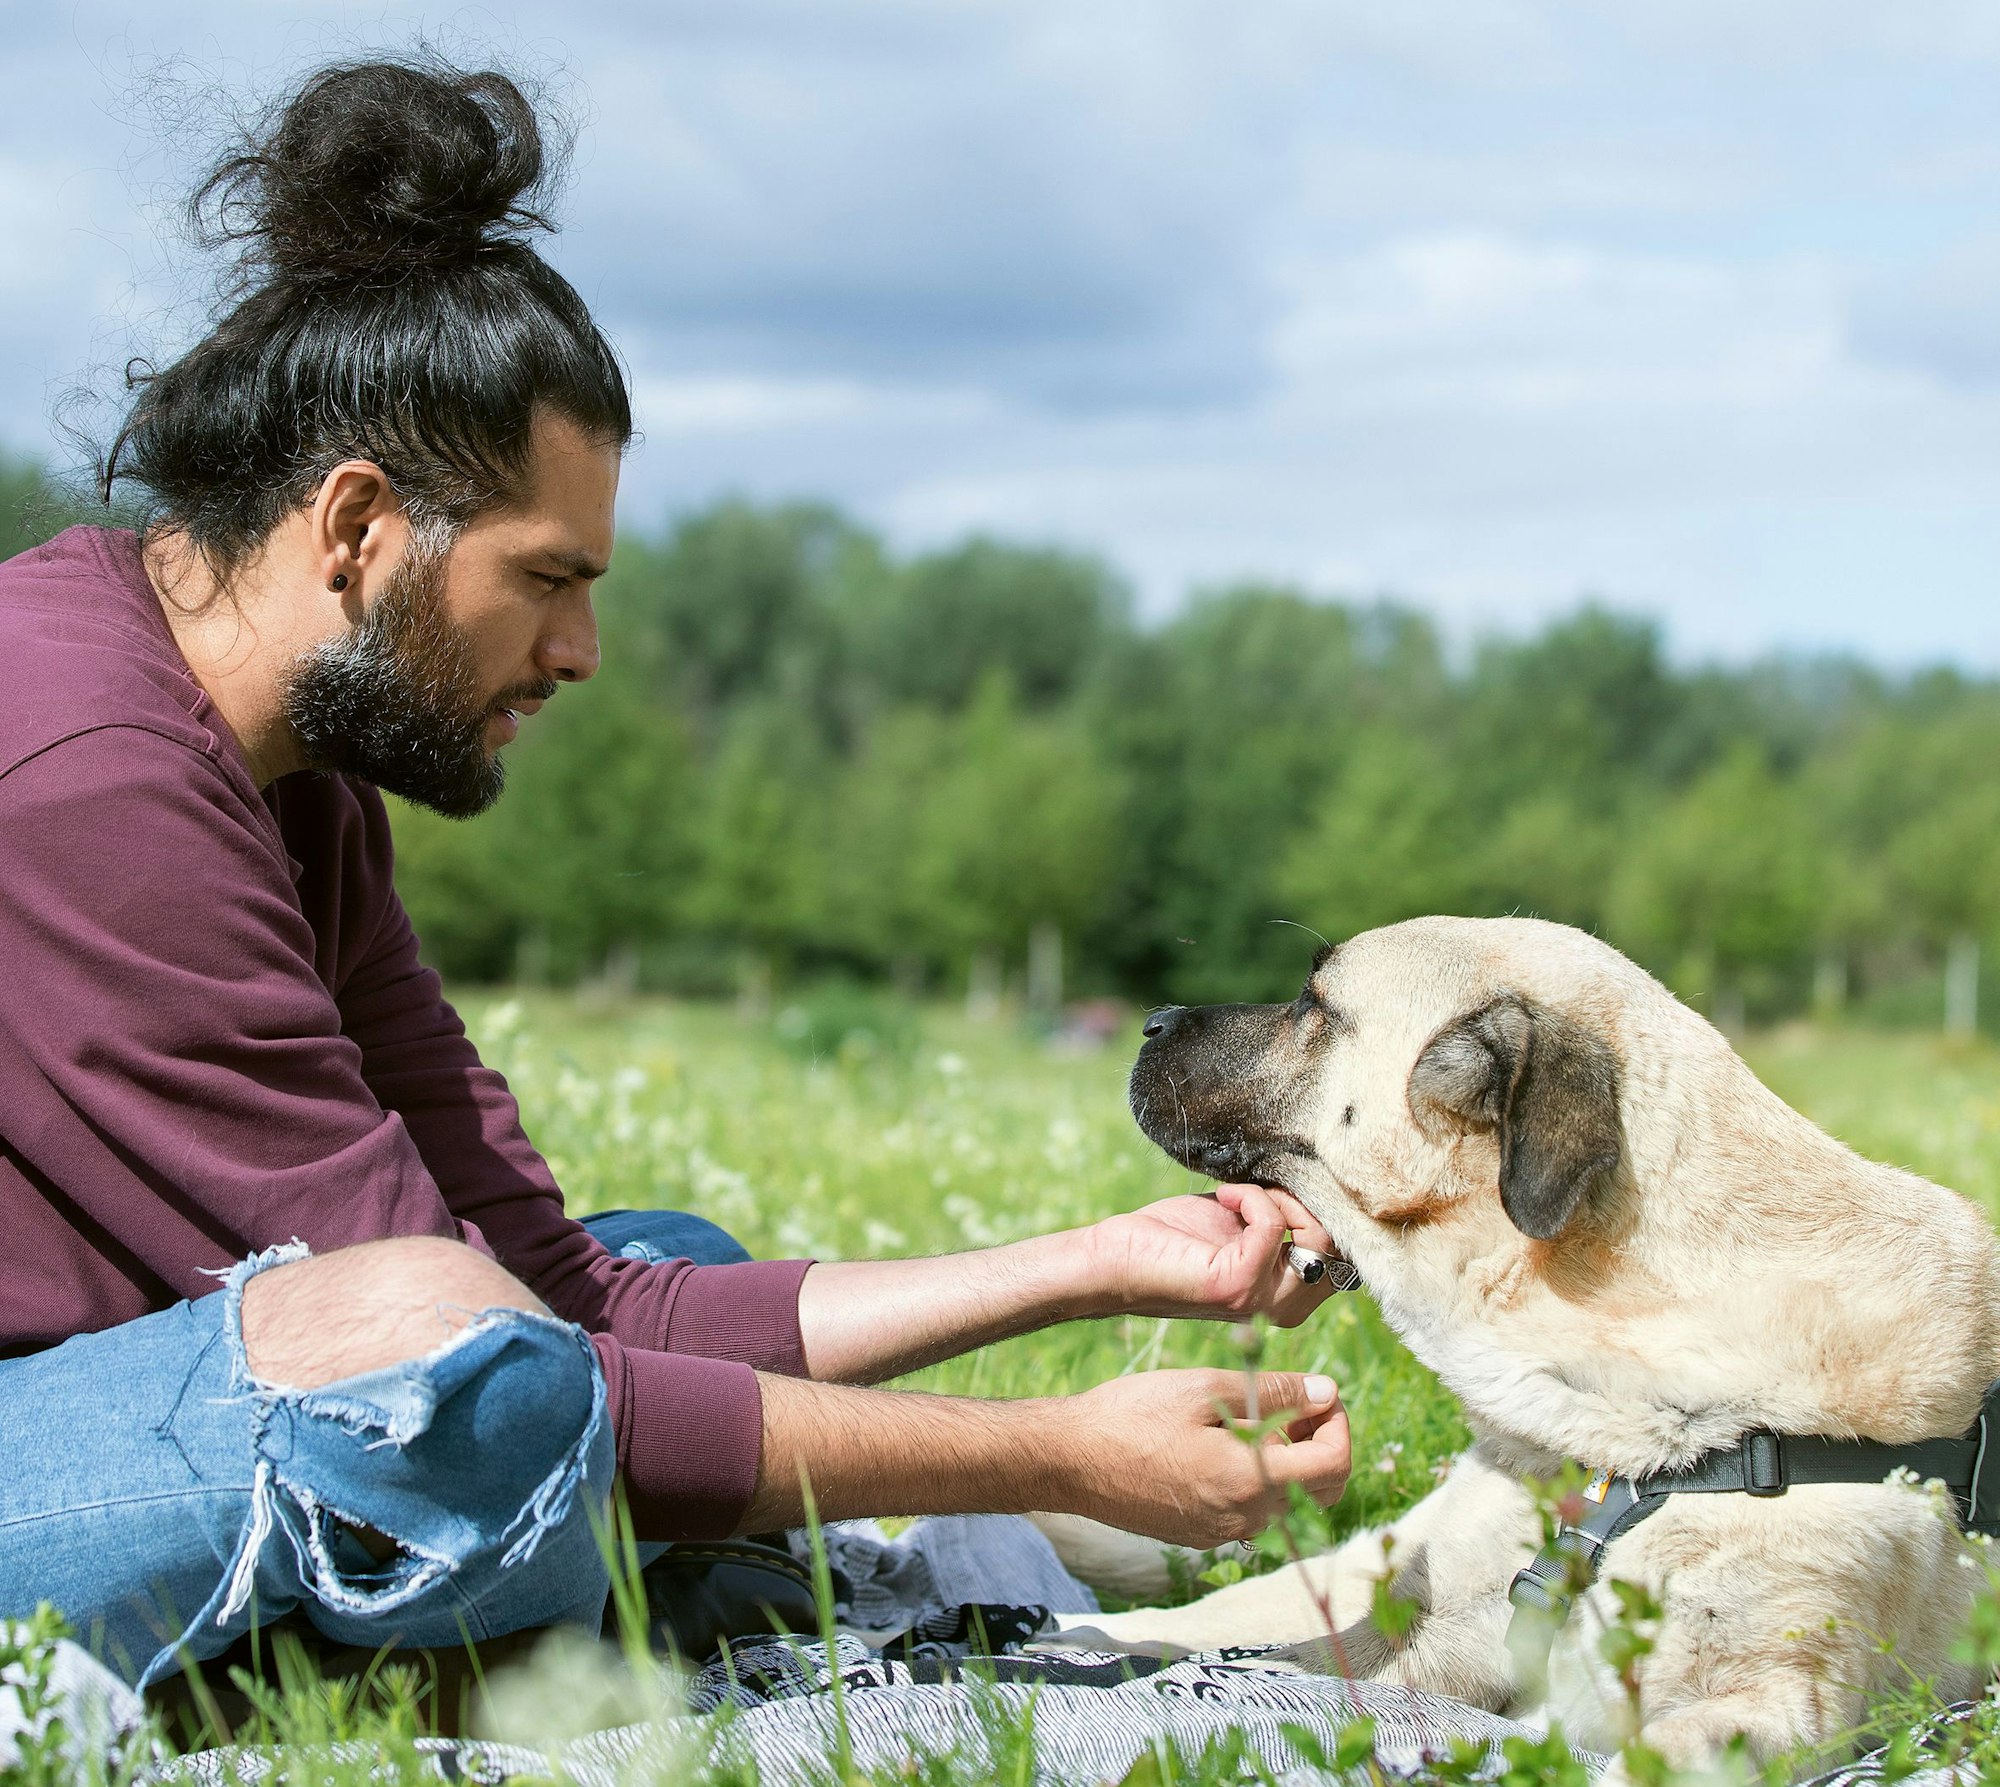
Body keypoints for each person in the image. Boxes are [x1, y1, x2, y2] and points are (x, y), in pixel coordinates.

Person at [0, 58, 1351, 1691]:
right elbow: (466, 1357)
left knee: (665, 1266)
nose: (579, 652)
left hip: (124, 1408)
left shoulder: (292, 782)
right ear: (357, 524)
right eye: (547, 579)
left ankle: (510, 1624)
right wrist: (1053, 1452)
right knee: (448, 1357)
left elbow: (570, 1297)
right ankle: (529, 1636)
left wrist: (1093, 1265)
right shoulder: (87, 781)